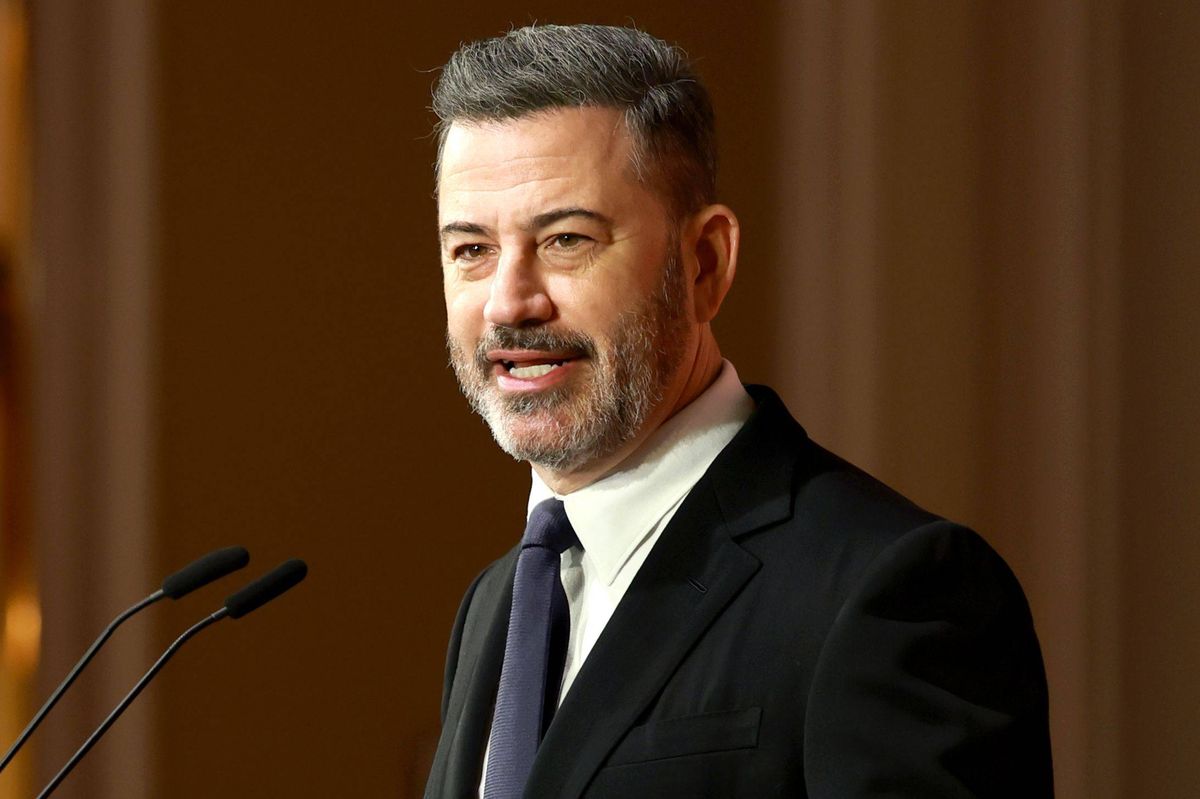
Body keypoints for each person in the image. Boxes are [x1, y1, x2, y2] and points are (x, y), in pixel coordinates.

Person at [424, 23, 1053, 799]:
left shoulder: (893, 591)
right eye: (471, 250)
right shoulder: (497, 604)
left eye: (565, 239)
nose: (509, 301)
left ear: (705, 264)